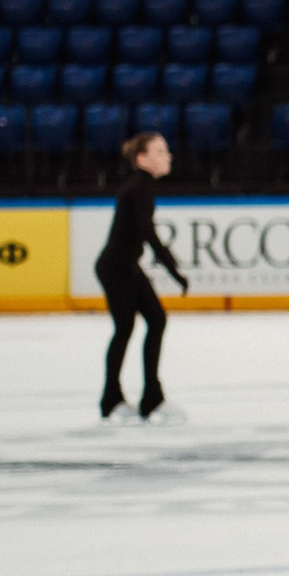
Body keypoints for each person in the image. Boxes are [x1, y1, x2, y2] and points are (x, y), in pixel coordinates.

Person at [97, 131, 189, 423]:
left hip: (125, 266)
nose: (168, 155)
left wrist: (172, 267)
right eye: (160, 151)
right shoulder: (140, 186)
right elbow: (147, 232)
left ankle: (150, 397)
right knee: (126, 328)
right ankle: (113, 400)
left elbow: (143, 232)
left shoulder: (141, 185)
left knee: (155, 320)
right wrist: (173, 269)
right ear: (142, 158)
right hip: (117, 268)